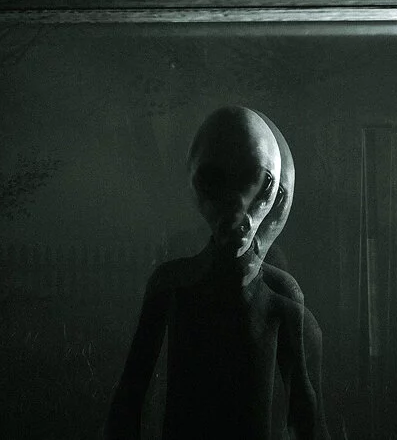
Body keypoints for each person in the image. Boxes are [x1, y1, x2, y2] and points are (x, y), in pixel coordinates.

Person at [105, 106, 329, 440]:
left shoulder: (174, 283)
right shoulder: (174, 285)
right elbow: (129, 396)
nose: (235, 211)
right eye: (216, 183)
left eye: (253, 184)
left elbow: (304, 410)